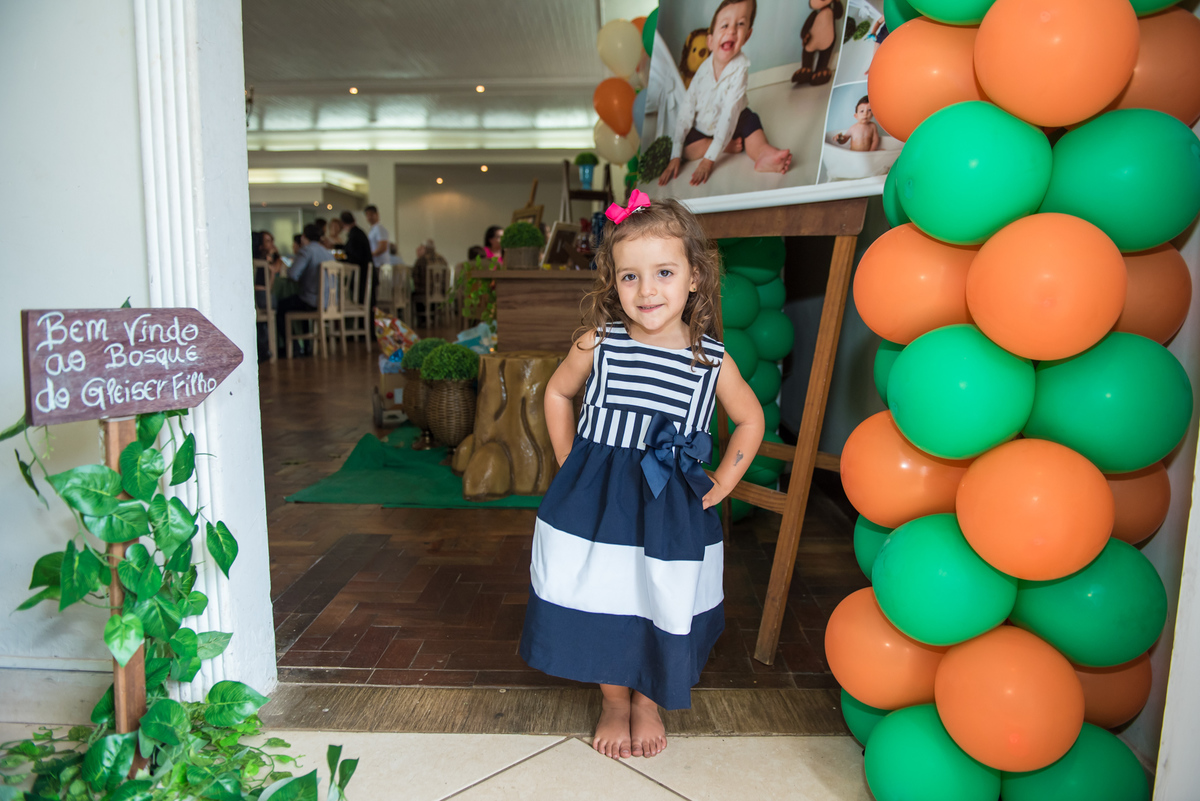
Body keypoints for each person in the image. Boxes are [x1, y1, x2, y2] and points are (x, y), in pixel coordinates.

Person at [519, 196, 764, 760]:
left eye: (664, 273)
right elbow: (557, 392)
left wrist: (722, 483)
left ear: (694, 277)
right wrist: (568, 458)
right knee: (602, 594)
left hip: (667, 506)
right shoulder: (599, 343)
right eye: (630, 276)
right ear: (612, 280)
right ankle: (612, 698)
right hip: (597, 502)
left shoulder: (710, 361)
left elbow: (751, 419)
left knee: (658, 597)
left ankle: (648, 698)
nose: (647, 290)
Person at [658, 0, 792, 187]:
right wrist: (675, 155)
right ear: (710, 41)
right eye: (725, 25)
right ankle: (718, 145)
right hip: (703, 125)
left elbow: (729, 115)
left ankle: (764, 154)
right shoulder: (702, 72)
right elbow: (687, 108)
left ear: (747, 35)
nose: (731, 31)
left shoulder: (740, 69)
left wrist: (709, 160)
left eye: (740, 24)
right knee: (686, 147)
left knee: (752, 124)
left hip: (733, 120)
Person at [276, 223, 334, 355]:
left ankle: (292, 346)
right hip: (328, 301)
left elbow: (293, 274)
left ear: (303, 237)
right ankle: (307, 345)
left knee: (281, 306)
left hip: (312, 300)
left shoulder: (306, 250)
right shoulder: (327, 253)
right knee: (298, 301)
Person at [340, 210, 372, 303]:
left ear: (343, 223)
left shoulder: (354, 235)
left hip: (362, 278)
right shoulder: (358, 233)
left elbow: (353, 257)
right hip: (365, 276)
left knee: (362, 302)